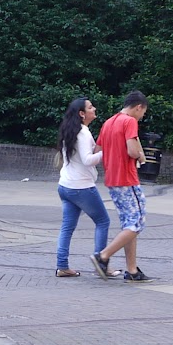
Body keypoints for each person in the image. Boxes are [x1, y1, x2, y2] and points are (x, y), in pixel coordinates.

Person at [90, 91, 154, 282]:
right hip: (127, 179)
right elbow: (132, 150)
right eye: (143, 112)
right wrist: (140, 156)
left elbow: (97, 150)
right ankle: (102, 257)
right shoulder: (129, 121)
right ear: (138, 107)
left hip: (112, 179)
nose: (142, 117)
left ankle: (132, 270)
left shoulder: (108, 122)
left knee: (129, 224)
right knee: (137, 223)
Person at [55, 97, 117, 278]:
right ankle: (101, 264)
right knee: (103, 221)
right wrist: (108, 152)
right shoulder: (82, 133)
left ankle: (62, 266)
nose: (94, 108)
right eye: (90, 107)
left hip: (65, 186)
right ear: (82, 114)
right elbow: (87, 160)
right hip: (81, 187)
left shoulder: (70, 131)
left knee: (67, 227)